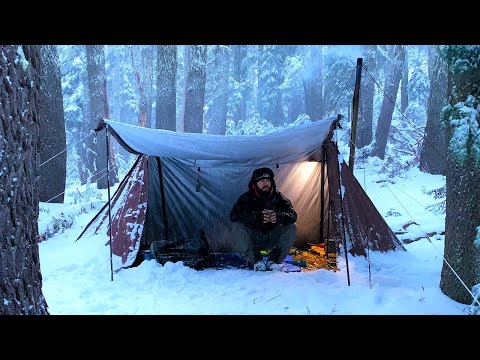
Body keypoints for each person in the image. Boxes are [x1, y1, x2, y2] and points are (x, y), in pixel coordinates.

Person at [230, 167, 297, 270]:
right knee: (237, 227)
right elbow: (234, 216)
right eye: (262, 180)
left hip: (272, 237)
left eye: (268, 180)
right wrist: (256, 217)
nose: (266, 183)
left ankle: (274, 260)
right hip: (253, 237)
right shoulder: (246, 198)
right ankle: (255, 260)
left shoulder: (279, 197)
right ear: (255, 183)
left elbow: (293, 215)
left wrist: (278, 217)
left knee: (292, 227)